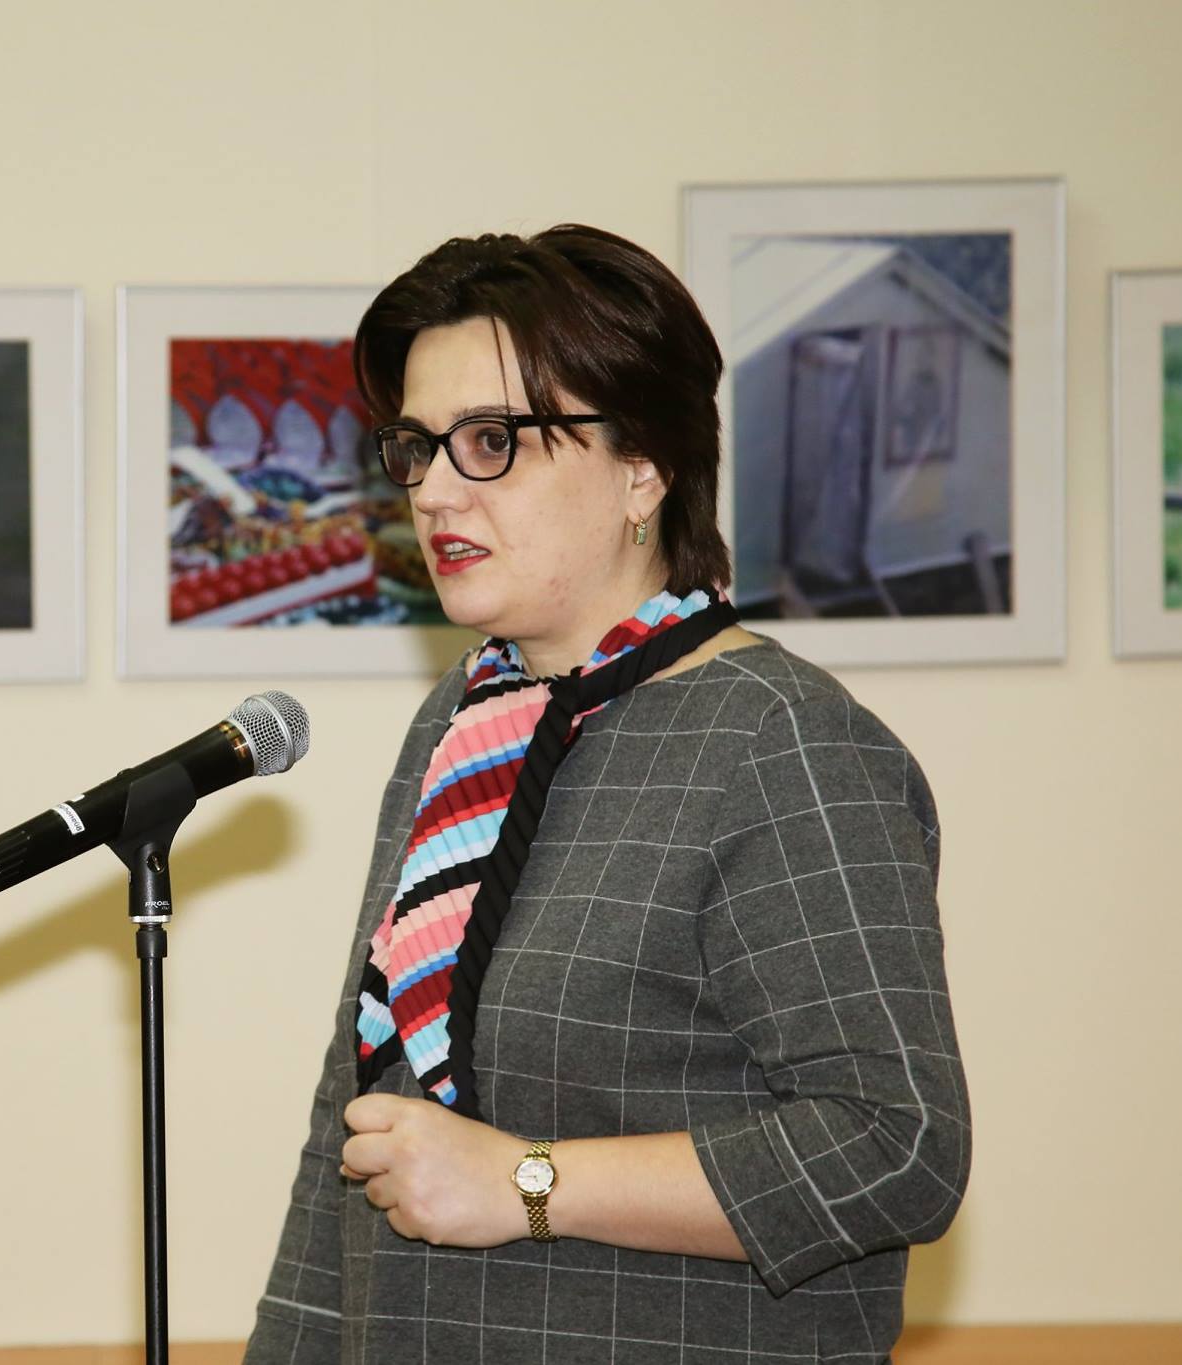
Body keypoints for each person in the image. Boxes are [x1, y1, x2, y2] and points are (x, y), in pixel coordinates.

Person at [241, 227, 969, 1364]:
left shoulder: (780, 743)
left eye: (491, 441)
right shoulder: (463, 719)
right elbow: (358, 1118)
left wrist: (529, 1184)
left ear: (643, 467)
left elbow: (896, 1148)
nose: (433, 490)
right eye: (417, 447)